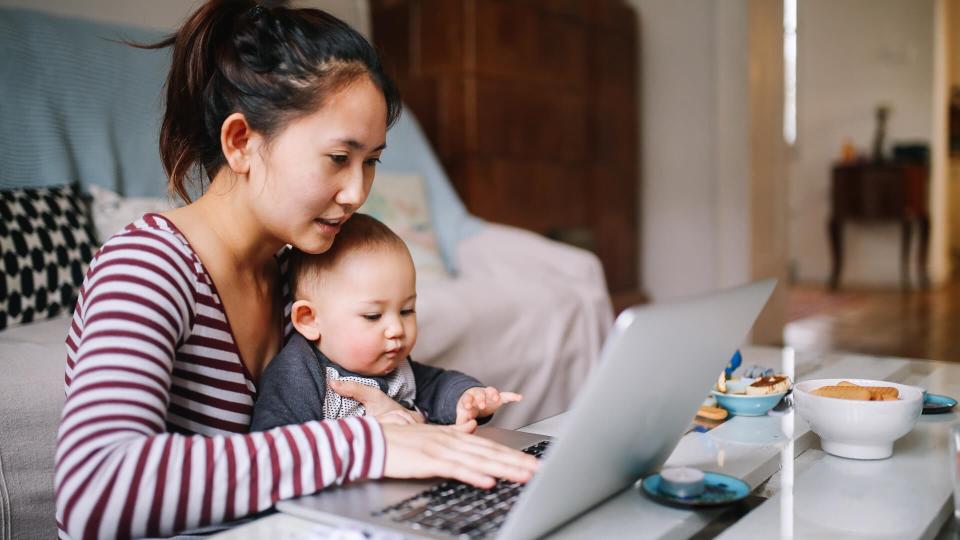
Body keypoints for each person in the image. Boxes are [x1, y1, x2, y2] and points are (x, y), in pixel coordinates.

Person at [54, 2, 538, 538]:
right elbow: (95, 489)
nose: (357, 193)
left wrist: (400, 424)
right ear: (241, 143)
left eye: (371, 160)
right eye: (338, 157)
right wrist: (363, 445)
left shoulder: (299, 273)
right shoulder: (147, 267)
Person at [250, 213, 521, 432]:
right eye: (373, 316)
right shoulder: (299, 374)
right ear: (309, 320)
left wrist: (468, 397)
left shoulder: (395, 365)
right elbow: (278, 446)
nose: (396, 330)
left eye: (406, 310)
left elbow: (437, 386)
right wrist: (366, 433)